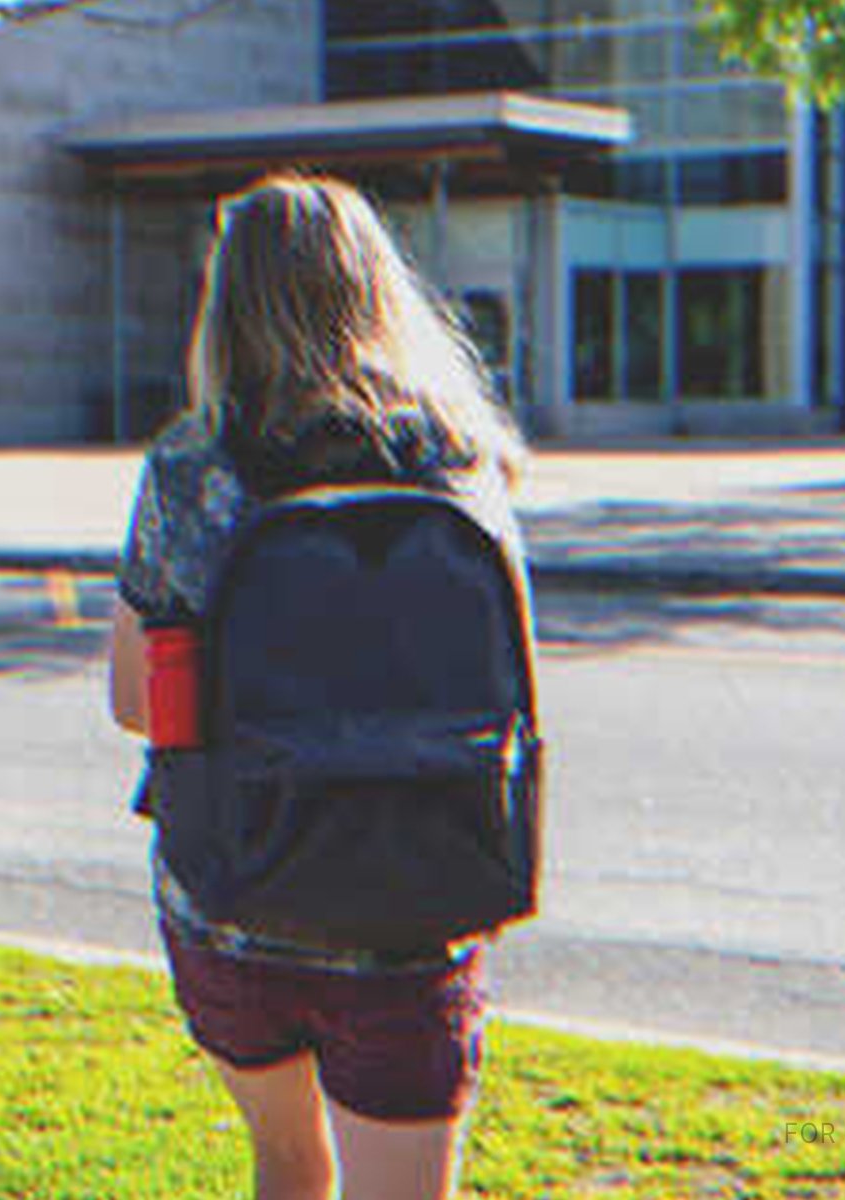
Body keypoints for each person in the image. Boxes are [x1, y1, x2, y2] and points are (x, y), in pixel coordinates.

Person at [108, 174, 531, 1200]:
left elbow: (133, 700)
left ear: (231, 297)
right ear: (378, 288)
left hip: (233, 897)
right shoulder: (457, 458)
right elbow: (511, 676)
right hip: (414, 905)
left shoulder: (194, 465)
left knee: (288, 1169)